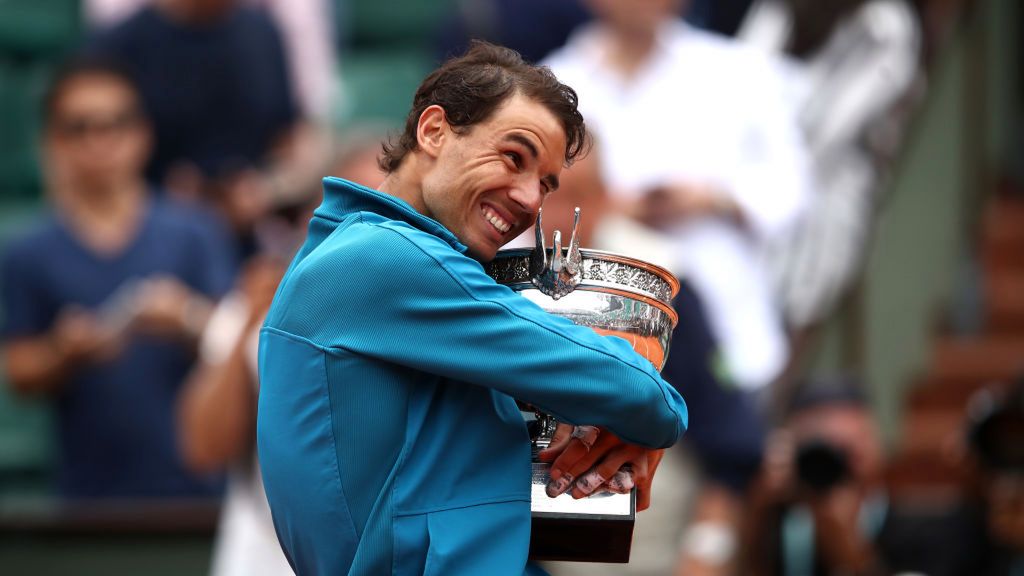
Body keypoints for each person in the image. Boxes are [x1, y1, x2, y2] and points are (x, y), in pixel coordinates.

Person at [256, 41, 688, 575]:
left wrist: (616, 423)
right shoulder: (387, 260)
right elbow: (639, 392)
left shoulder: (347, 252)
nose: (532, 199)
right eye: (514, 157)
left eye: (546, 183)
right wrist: (645, 418)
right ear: (434, 131)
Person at [0, 56, 234, 499]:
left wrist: (186, 317)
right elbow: (18, 369)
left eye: (116, 124)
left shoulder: (196, 232)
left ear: (143, 134)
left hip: (197, 490)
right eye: (80, 127)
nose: (101, 142)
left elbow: (241, 340)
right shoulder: (29, 251)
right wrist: (63, 351)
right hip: (89, 497)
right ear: (54, 141)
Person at [177, 134, 387, 576]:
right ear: (319, 210)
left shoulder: (436, 313)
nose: (368, 223)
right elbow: (204, 447)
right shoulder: (263, 297)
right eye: (355, 202)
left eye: (387, 206)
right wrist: (256, 322)